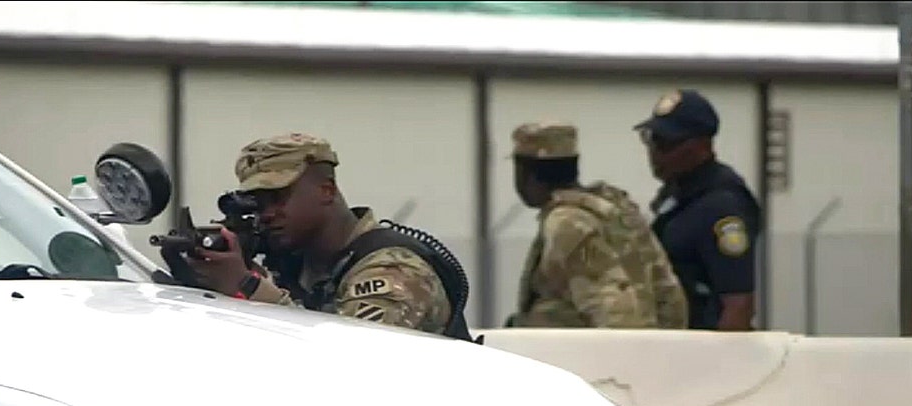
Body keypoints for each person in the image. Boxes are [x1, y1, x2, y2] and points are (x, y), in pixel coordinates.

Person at [177, 132, 473, 340]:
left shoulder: (392, 271)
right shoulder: (304, 264)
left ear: (326, 190)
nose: (266, 214)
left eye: (278, 197)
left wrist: (246, 286)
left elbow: (352, 362)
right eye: (257, 203)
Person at [505, 122, 687, 329]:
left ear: (526, 174)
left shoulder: (568, 224)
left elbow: (614, 313)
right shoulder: (618, 211)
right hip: (651, 350)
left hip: (583, 357)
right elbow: (669, 296)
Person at [634, 89, 762, 331]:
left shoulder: (722, 206)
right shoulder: (678, 194)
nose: (654, 152)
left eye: (665, 143)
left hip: (700, 348)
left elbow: (738, 305)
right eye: (651, 139)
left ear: (701, 146)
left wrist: (720, 365)